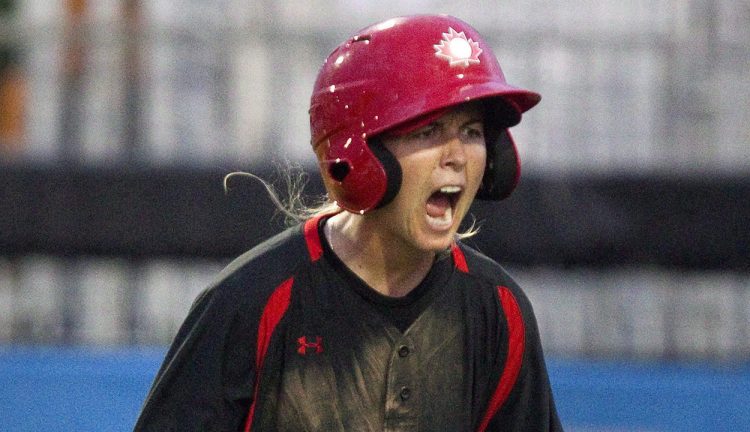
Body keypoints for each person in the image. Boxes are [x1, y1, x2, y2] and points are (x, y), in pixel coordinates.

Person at [134, 14, 562, 431]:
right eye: (427, 131)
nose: (456, 157)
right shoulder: (251, 302)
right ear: (358, 155)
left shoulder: (499, 309)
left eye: (471, 132)